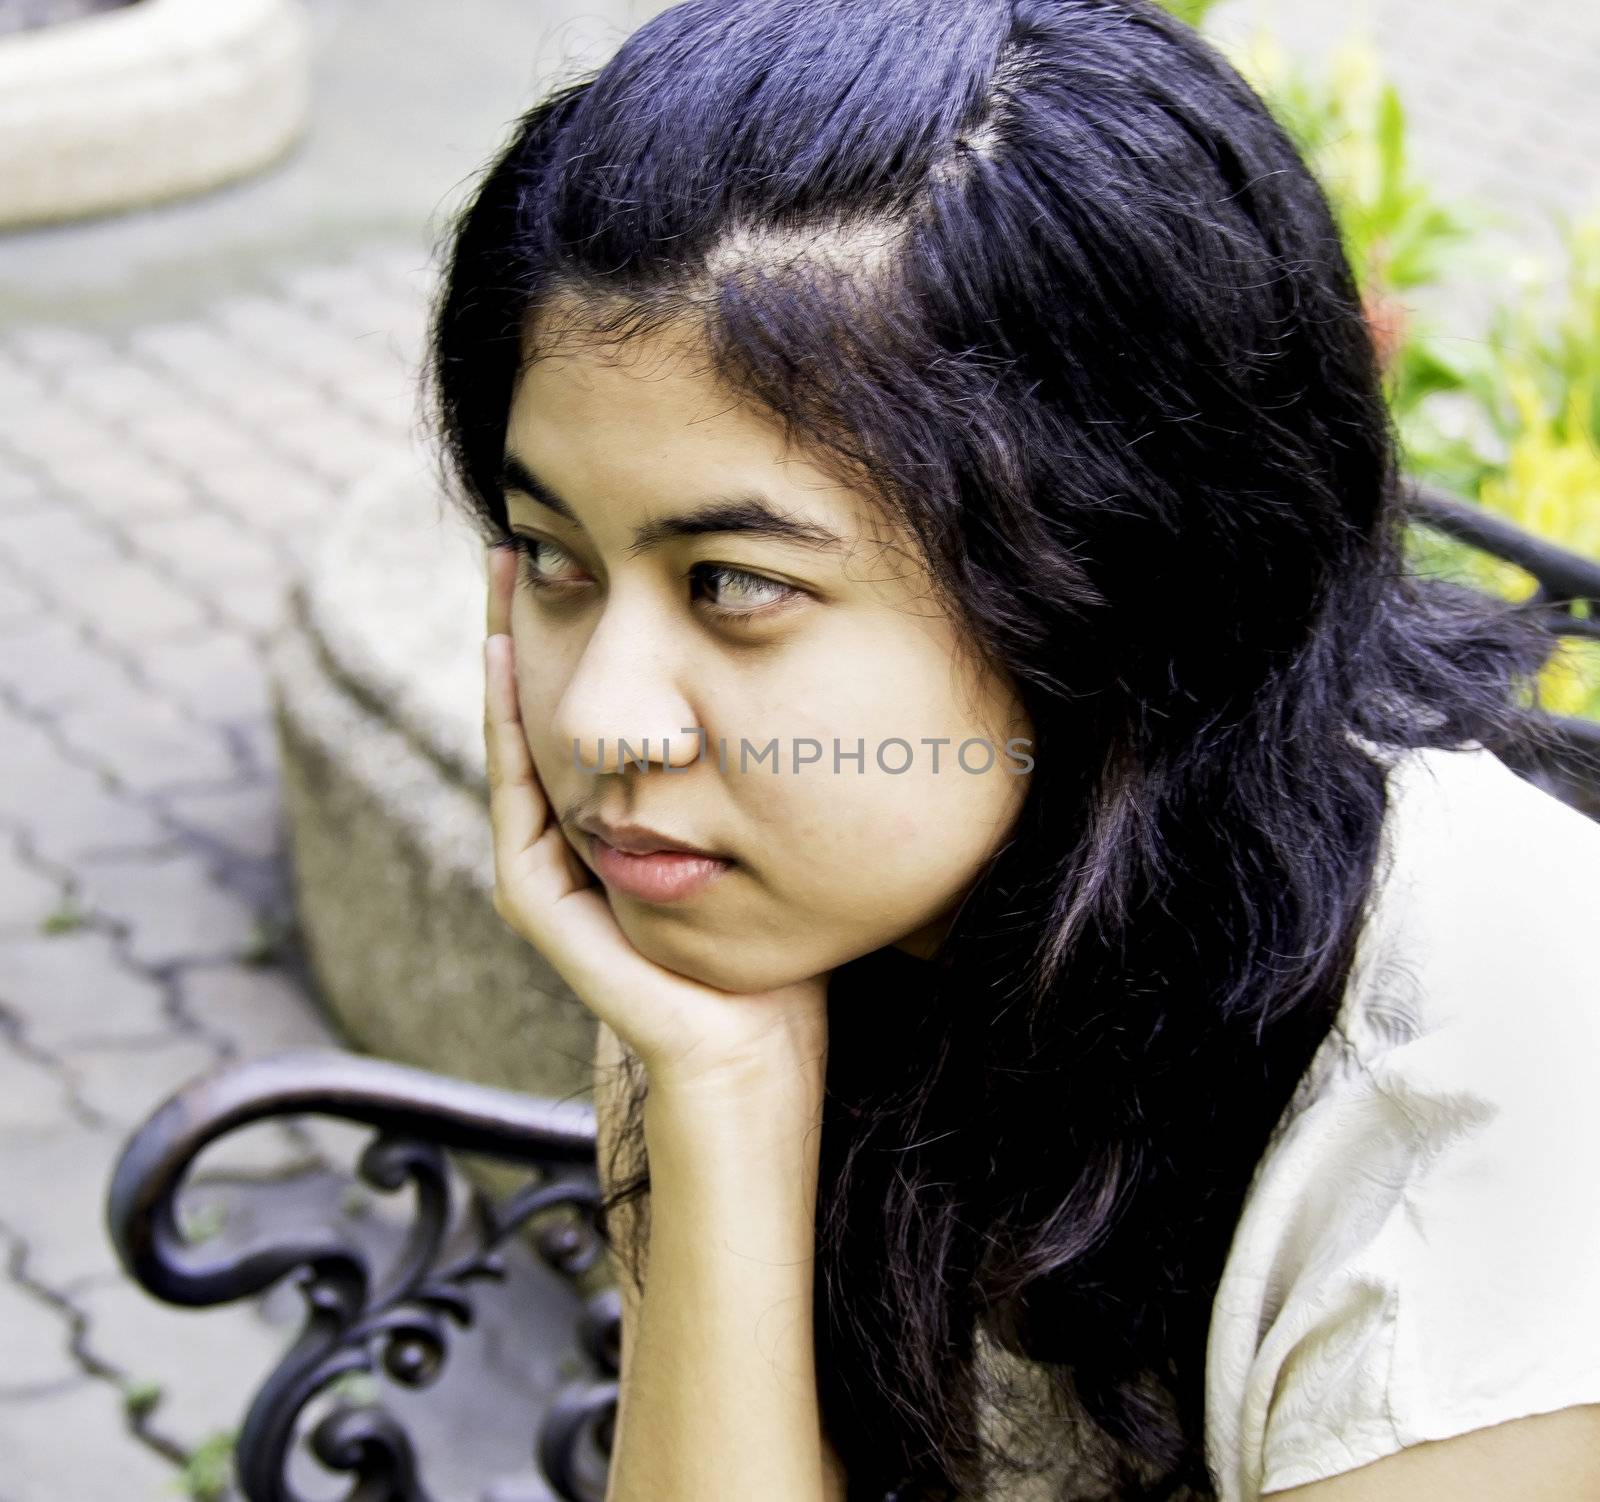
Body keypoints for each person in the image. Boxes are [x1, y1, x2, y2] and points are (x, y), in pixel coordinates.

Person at [427, 1, 1600, 1497]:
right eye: (551, 554)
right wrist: (716, 1092)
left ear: (1104, 587)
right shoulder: (764, 921)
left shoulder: (1483, 1109)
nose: (597, 714)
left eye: (733, 584)